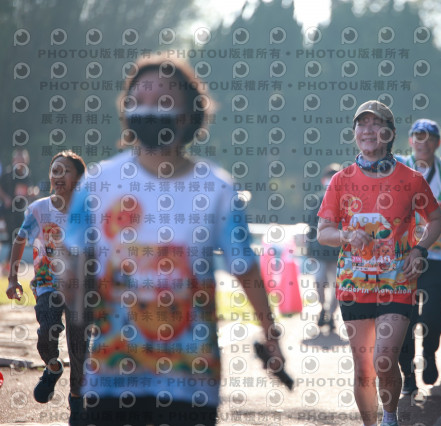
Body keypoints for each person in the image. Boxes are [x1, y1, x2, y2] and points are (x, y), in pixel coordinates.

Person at [58, 53, 285, 426]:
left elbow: (244, 267)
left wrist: (270, 334)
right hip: (113, 376)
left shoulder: (216, 188)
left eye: (162, 100)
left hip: (191, 380)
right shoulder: (98, 183)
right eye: (138, 100)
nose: (148, 110)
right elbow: (72, 258)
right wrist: (72, 284)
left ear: (189, 113)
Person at [318, 101, 441, 426]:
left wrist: (420, 250)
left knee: (385, 359)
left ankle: (390, 418)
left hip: (397, 282)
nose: (368, 130)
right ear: (354, 132)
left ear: (390, 133)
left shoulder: (411, 179)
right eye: (362, 124)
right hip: (354, 284)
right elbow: (323, 232)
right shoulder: (341, 180)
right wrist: (347, 235)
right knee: (364, 369)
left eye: (376, 124)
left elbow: (436, 219)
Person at [5, 151, 87, 425]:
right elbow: (20, 239)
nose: (58, 175)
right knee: (46, 333)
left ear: (79, 178)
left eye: (65, 170)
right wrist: (13, 278)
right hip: (46, 284)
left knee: (79, 347)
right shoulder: (39, 209)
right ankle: (52, 367)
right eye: (55, 170)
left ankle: (77, 400)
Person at [396, 119, 441, 392]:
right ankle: (408, 373)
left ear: (437, 143)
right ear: (410, 140)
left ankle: (430, 352)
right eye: (418, 137)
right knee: (406, 317)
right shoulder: (397, 166)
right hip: (403, 256)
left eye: (429, 138)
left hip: (438, 255)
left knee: (434, 315)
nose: (423, 143)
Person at [306, 163, 341, 332]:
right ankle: (322, 309)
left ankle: (332, 314)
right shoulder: (318, 200)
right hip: (320, 251)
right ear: (323, 180)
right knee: (319, 282)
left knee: (337, 286)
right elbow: (311, 227)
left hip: (338, 253)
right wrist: (309, 250)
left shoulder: (346, 201)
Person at [0, 149, 32, 274]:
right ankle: (8, 265)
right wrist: (5, 198)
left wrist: (30, 193)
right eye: (19, 159)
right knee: (10, 238)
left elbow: (25, 191)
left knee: (17, 238)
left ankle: (9, 265)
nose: (21, 162)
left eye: (23, 159)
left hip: (20, 211)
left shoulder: (26, 175)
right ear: (14, 160)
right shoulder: (8, 174)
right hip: (8, 211)